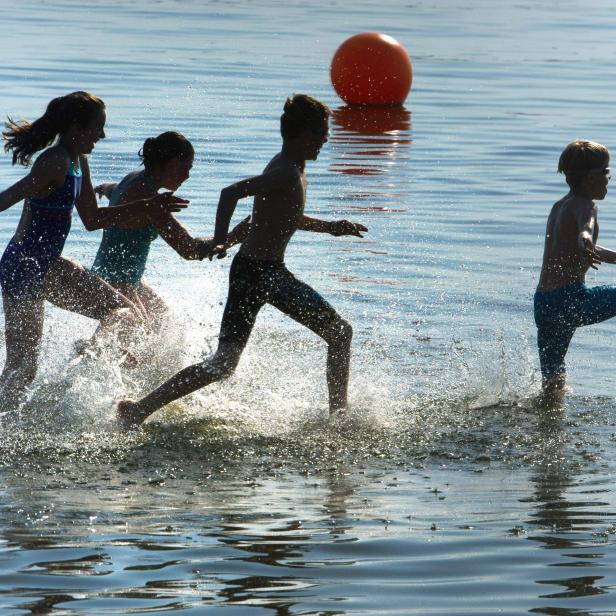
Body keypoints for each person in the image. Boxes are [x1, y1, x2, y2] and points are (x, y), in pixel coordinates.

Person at [118, 94, 368, 428]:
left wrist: (330, 228)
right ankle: (339, 417)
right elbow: (230, 192)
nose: (326, 139)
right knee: (340, 332)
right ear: (301, 136)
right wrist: (221, 238)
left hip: (252, 271)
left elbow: (284, 215)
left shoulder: (290, 170)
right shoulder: (285, 173)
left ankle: (139, 409)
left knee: (224, 364)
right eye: (320, 133)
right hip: (264, 274)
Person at [0, 91, 187, 408]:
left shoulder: (77, 161)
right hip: (24, 266)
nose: (102, 135)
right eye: (98, 127)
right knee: (22, 367)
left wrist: (149, 205)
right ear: (76, 126)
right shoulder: (54, 161)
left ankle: (93, 352)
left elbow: (94, 218)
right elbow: (6, 199)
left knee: (122, 312)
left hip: (47, 264)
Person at [91, 131, 248, 328]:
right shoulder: (150, 201)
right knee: (138, 339)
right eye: (187, 168)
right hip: (118, 283)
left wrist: (102, 188)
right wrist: (234, 236)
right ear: (174, 163)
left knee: (164, 319)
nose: (188, 176)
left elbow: (114, 189)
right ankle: (85, 349)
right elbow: (189, 249)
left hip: (116, 276)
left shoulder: (133, 179)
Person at [534, 139, 616, 403]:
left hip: (545, 302)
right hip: (570, 300)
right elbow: (585, 231)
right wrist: (586, 240)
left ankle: (548, 428)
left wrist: (587, 244)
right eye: (605, 171)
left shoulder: (560, 206)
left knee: (553, 379)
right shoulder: (586, 206)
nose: (609, 177)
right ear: (589, 178)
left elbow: (580, 242)